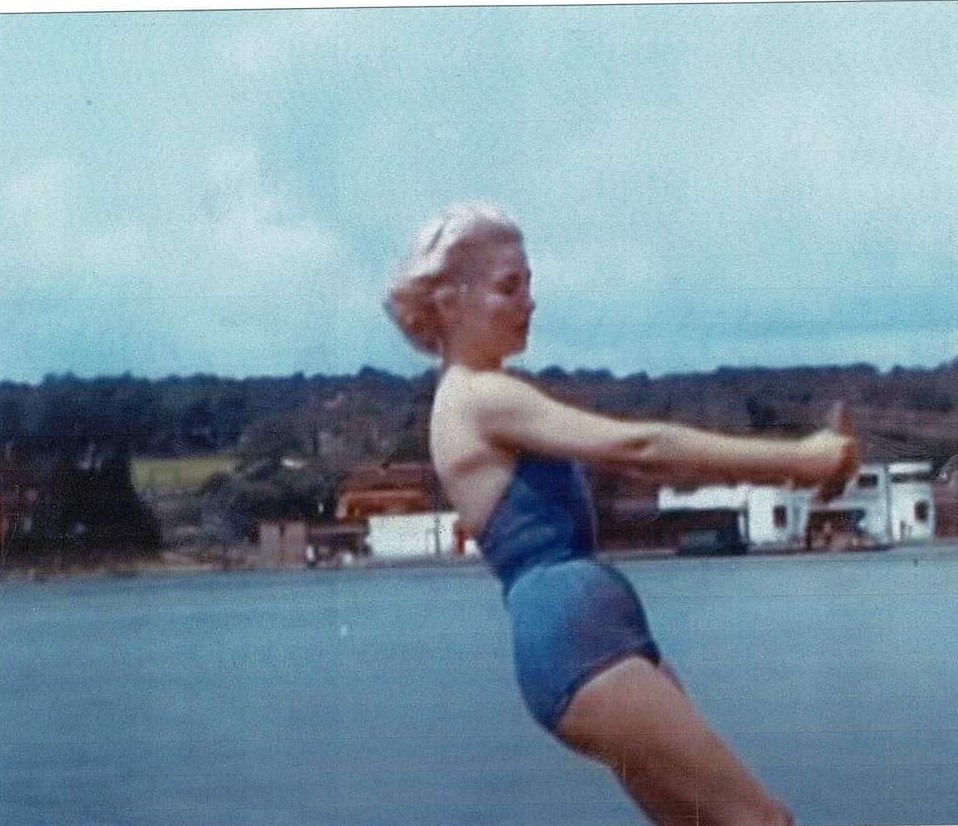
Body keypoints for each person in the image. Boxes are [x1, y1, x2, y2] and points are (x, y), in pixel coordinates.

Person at [384, 203, 858, 826]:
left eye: (529, 283)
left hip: (597, 634)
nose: (530, 301)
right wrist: (801, 461)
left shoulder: (481, 398)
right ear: (449, 304)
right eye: (509, 286)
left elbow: (660, 463)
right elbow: (643, 449)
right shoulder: (478, 396)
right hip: (577, 644)